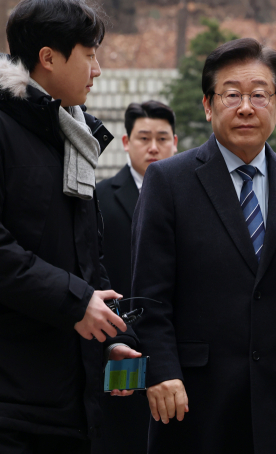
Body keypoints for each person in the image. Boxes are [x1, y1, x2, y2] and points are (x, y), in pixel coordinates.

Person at [0, 0, 140, 453]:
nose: (97, 69)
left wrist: (108, 341)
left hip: (61, 399)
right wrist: (77, 303)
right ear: (48, 57)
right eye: (90, 54)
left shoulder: (66, 139)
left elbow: (85, 258)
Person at [131, 38, 276, 454]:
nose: (246, 107)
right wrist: (160, 370)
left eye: (259, 95)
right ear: (209, 105)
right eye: (231, 95)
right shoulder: (169, 182)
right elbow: (148, 294)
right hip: (195, 398)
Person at [93, 101, 177, 454]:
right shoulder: (101, 197)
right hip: (120, 337)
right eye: (144, 138)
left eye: (162, 138)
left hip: (174, 342)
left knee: (173, 430)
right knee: (125, 431)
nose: (154, 147)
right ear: (126, 142)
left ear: (176, 141)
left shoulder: (185, 196)